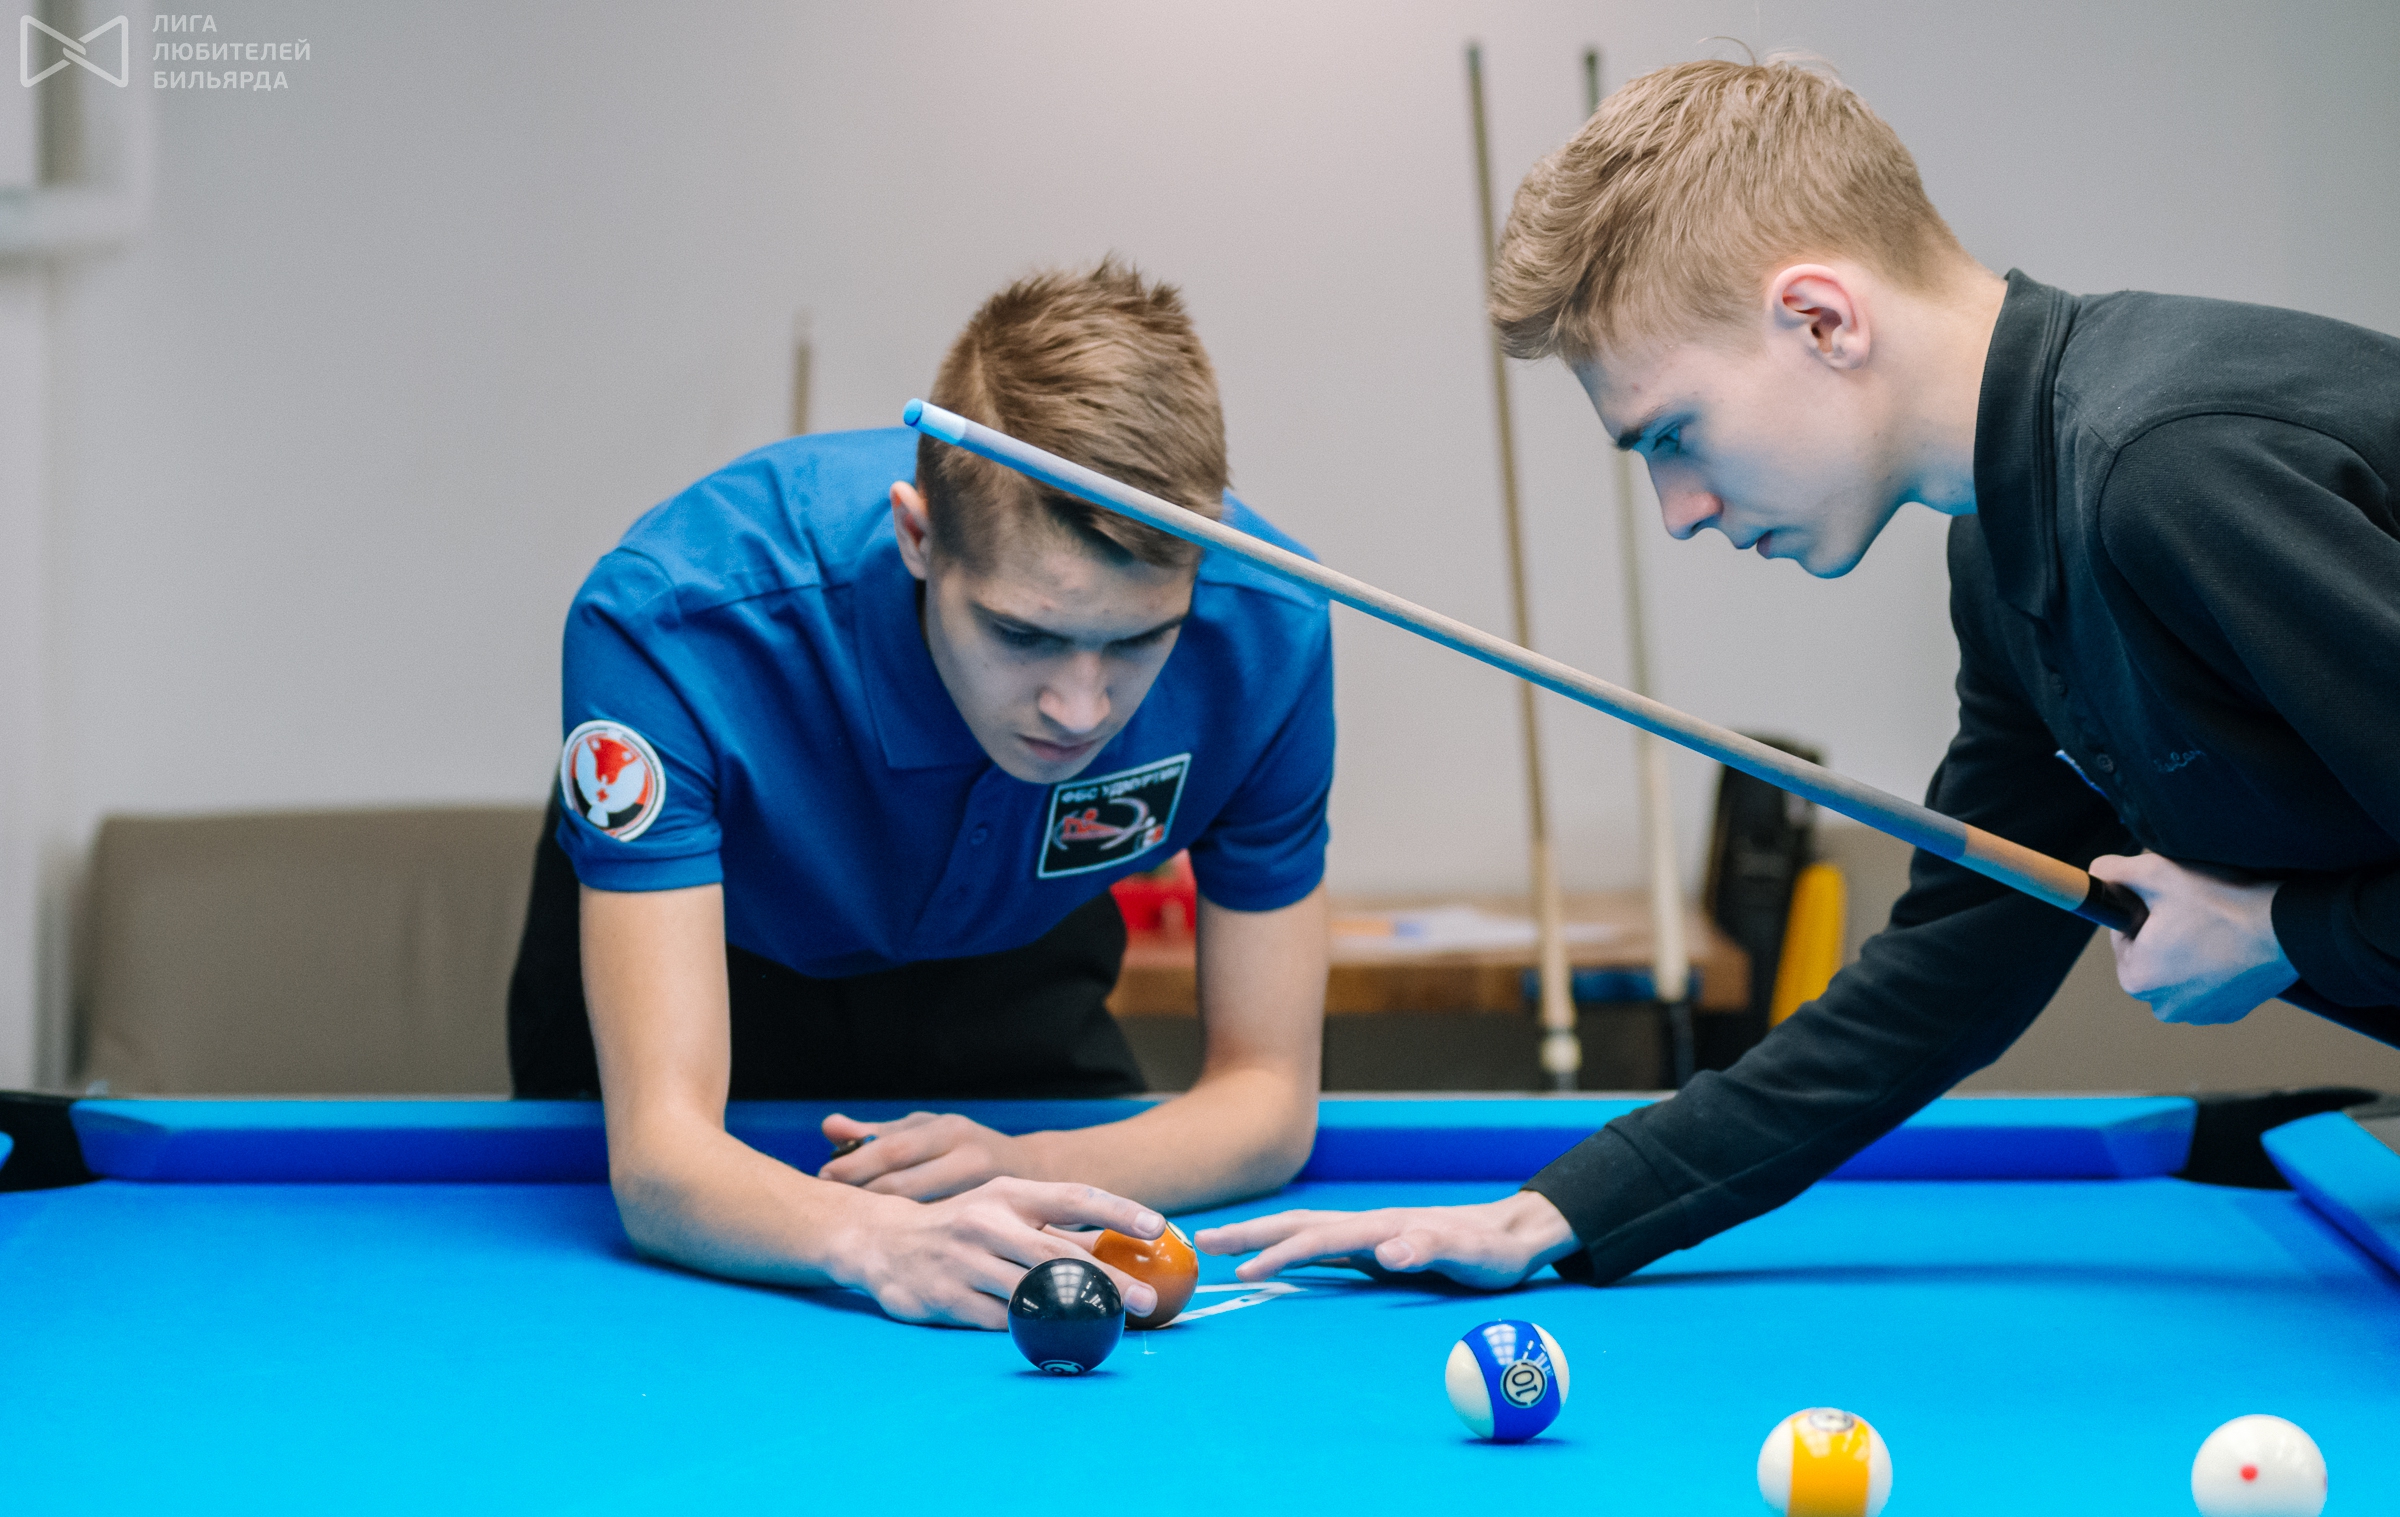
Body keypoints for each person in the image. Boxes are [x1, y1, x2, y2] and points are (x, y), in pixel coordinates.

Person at [1199, 55, 2400, 1290]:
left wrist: (2285, 932)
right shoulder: (2008, 550)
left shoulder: (2162, 471)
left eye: (1673, 435)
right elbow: (1960, 958)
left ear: (1823, 320)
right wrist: (1553, 1214)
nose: (1678, 510)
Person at [510, 262, 1335, 1326]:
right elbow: (664, 1162)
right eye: (1023, 634)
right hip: (717, 955)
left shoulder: (1270, 628)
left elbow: (1268, 1100)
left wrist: (1029, 1162)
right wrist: (879, 1241)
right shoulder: (673, 621)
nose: (1081, 709)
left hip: (1010, 956)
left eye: (1139, 641)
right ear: (918, 536)